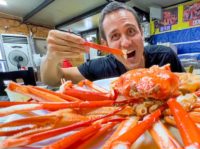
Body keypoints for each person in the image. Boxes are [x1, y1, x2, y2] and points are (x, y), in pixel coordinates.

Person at [40, 1, 184, 87]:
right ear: (105, 44)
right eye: (115, 36)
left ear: (141, 32)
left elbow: (191, 91)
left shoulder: (165, 57)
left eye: (131, 31)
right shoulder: (100, 68)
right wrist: (51, 57)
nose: (126, 43)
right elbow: (52, 80)